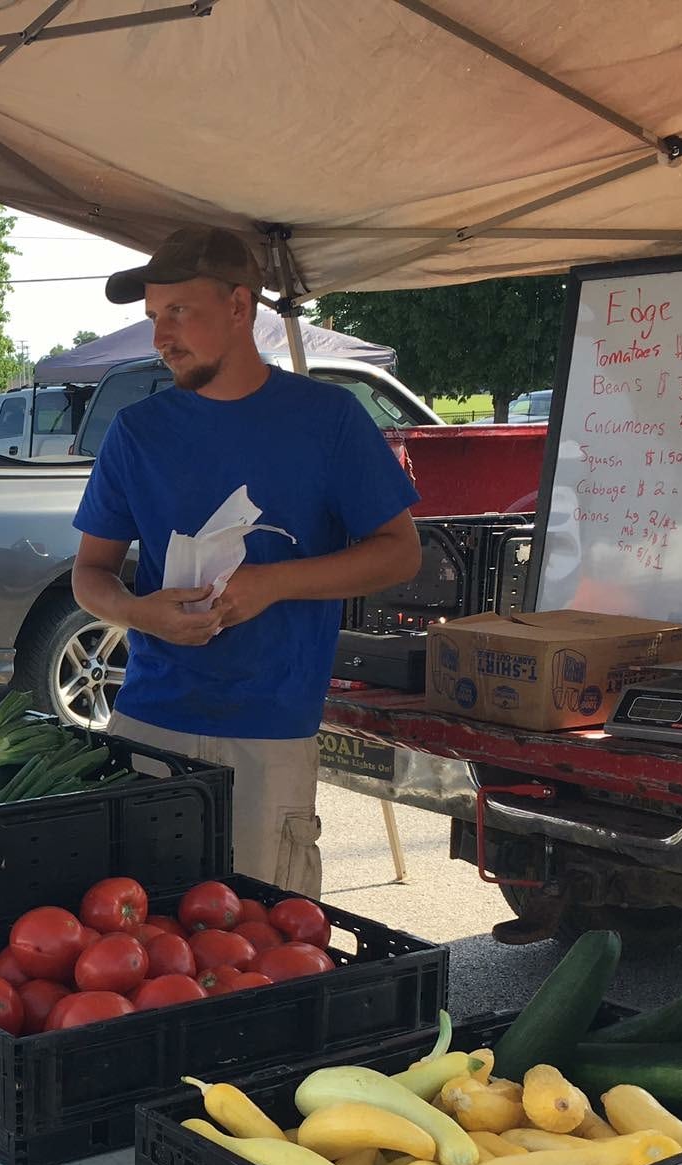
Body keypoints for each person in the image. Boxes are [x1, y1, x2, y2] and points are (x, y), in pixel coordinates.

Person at [70, 226, 421, 899]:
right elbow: (91, 574)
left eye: (178, 312)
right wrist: (137, 612)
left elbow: (399, 553)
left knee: (263, 947)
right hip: (149, 725)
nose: (160, 338)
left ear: (239, 307)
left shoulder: (329, 419)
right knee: (140, 943)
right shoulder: (138, 432)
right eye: (152, 317)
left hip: (272, 730)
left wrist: (275, 583)